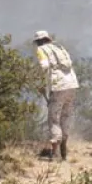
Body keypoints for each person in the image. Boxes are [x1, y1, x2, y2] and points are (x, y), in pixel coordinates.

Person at [32, 30, 79, 161]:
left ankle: (55, 153)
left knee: (54, 118)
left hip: (58, 86)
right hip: (72, 84)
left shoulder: (41, 50)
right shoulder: (60, 48)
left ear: (39, 42)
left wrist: (40, 82)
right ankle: (64, 148)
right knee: (66, 116)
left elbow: (44, 66)